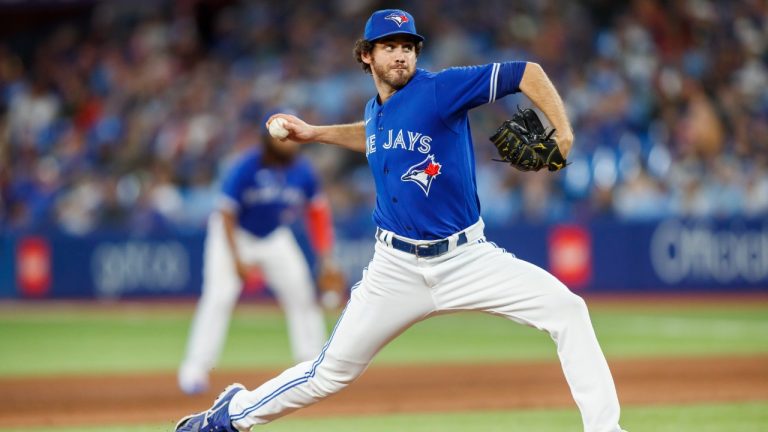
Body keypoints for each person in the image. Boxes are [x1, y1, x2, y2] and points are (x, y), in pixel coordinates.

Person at [175, 9, 626, 432]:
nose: (400, 54)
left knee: (568, 310)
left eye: (407, 45)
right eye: (389, 46)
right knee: (328, 373)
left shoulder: (439, 90)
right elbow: (372, 136)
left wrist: (563, 132)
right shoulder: (376, 111)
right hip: (395, 270)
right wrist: (315, 133)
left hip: (468, 258)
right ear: (366, 55)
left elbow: (526, 72)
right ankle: (231, 415)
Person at [177, 108, 340, 395]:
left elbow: (317, 214)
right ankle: (195, 368)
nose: (288, 142)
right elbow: (226, 214)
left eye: (292, 137)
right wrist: (237, 259)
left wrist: (326, 260)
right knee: (218, 297)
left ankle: (313, 363)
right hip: (234, 234)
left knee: (301, 292)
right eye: (283, 136)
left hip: (274, 236)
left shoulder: (303, 171)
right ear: (267, 139)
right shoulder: (245, 167)